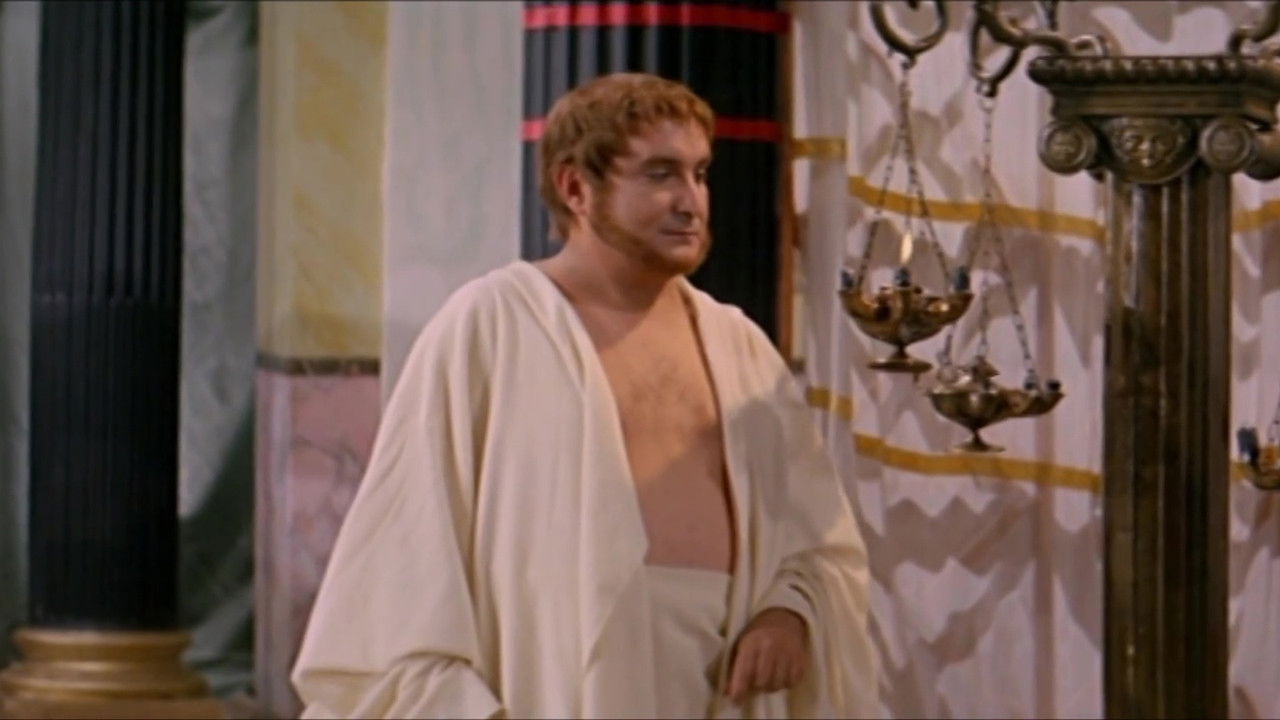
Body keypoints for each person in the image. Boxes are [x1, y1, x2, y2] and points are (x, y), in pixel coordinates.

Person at [291, 72, 879, 719]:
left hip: (724, 694)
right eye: (660, 174)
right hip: (551, 689)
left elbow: (819, 539)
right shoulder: (491, 327)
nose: (691, 201)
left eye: (700, 173)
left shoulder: (738, 345)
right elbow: (404, 556)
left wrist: (789, 613)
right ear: (576, 188)